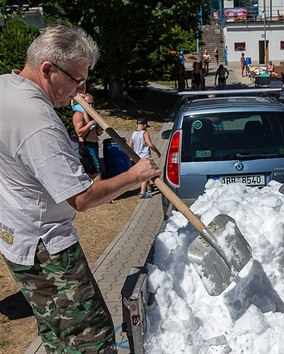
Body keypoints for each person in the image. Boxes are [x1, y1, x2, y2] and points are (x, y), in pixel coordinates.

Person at [0, 24, 161, 353]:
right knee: (90, 338)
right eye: (77, 80)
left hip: (15, 234)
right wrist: (135, 174)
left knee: (56, 333)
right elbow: (83, 199)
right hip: (47, 249)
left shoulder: (5, 86)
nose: (80, 90)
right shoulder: (38, 121)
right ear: (48, 69)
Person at [72, 92, 103, 180]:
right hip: (87, 145)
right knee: (95, 172)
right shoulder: (79, 115)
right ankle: (99, 191)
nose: (91, 105)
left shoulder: (92, 115)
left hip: (94, 144)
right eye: (88, 103)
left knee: (97, 170)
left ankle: (99, 190)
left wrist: (98, 125)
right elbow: (79, 132)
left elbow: (98, 131)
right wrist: (90, 124)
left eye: (92, 103)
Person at [129, 118, 161, 199]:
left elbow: (129, 146)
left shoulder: (133, 134)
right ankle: (142, 193)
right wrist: (157, 151)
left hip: (136, 157)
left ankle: (149, 188)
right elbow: (150, 144)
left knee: (146, 173)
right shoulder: (145, 133)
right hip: (145, 157)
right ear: (145, 125)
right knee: (146, 175)